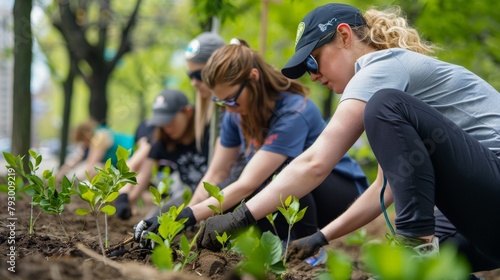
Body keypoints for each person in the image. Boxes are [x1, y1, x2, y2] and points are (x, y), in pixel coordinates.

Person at [197, 3, 500, 274]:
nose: (312, 76)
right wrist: (321, 237)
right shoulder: (396, 88)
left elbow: (316, 162)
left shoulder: (381, 68)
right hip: (488, 219)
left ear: (344, 36)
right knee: (427, 270)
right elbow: (386, 186)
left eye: (314, 61)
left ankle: (415, 246)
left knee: (385, 104)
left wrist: (241, 216)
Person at [133, 39, 369, 248]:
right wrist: (180, 219)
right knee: (232, 185)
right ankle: (279, 245)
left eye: (232, 99)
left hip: (340, 195)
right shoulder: (234, 112)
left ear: (253, 79)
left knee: (276, 171)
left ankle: (303, 248)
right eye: (220, 101)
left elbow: (248, 182)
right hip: (291, 195)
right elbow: (216, 173)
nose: (228, 108)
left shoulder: (294, 111)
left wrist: (187, 217)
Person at [115, 89, 210, 220]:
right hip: (189, 194)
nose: (167, 127)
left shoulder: (209, 133)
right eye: (162, 123)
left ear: (187, 112)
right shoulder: (163, 140)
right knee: (153, 219)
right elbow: (144, 172)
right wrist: (127, 199)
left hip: (214, 196)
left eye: (170, 121)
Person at [56, 119, 135, 182]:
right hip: (127, 163)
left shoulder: (100, 137)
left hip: (133, 154)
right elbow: (75, 159)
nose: (83, 145)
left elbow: (90, 166)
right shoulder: (89, 143)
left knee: (97, 168)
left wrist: (72, 182)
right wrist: (60, 174)